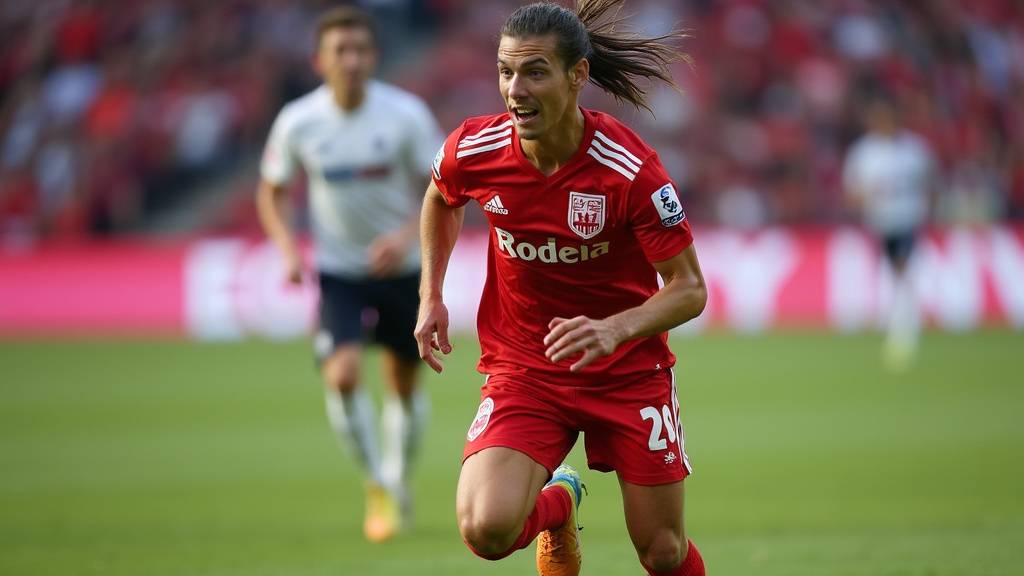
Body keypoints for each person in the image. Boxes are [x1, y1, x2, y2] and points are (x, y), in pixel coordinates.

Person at [414, 2, 708, 575]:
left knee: (662, 551)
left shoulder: (629, 172)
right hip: (527, 369)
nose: (514, 89)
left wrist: (615, 328)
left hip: (627, 372)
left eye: (534, 72)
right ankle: (560, 502)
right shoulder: (474, 150)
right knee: (486, 530)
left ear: (578, 76)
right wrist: (431, 295)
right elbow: (440, 198)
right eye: (505, 71)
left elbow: (689, 288)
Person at [256, 6, 443, 542]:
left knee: (402, 387)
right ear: (320, 60)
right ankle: (376, 485)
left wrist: (406, 236)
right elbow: (271, 189)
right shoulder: (298, 121)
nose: (353, 60)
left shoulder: (405, 115)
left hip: (404, 270)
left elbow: (442, 190)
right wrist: (289, 249)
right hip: (337, 272)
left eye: (361, 49)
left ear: (374, 56)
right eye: (341, 51)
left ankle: (399, 478)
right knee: (341, 375)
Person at [843, 94, 936, 370]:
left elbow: (930, 186)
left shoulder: (915, 151)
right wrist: (870, 196)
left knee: (902, 271)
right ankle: (897, 324)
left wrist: (925, 211)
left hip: (907, 220)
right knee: (891, 274)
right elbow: (852, 195)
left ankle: (903, 332)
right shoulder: (864, 153)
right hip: (878, 223)